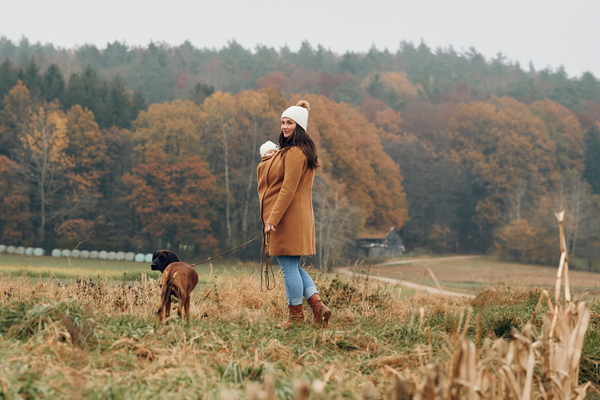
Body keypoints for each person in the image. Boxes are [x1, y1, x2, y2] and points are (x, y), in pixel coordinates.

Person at [257, 100, 332, 328]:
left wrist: (272, 220)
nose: (284, 127)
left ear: (299, 126)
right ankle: (318, 307)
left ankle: (296, 319)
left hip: (288, 219)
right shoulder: (300, 151)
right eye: (282, 122)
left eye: (289, 123)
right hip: (296, 218)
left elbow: (287, 190)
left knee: (288, 268)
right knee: (294, 267)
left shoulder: (294, 153)